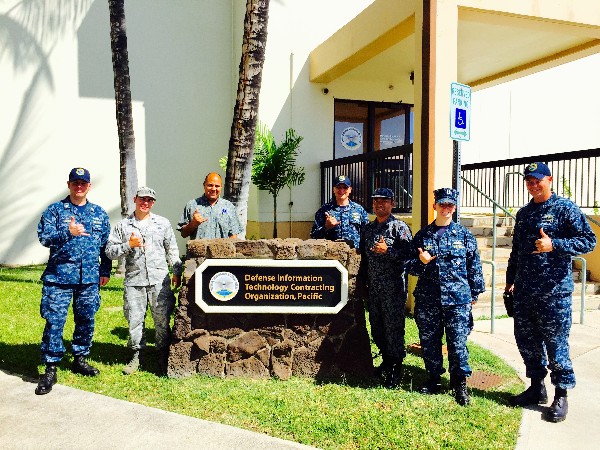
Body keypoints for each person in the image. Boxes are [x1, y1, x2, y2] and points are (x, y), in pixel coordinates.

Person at [505, 162, 596, 422]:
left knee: (556, 346)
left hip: (553, 294)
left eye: (538, 180)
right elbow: (516, 251)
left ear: (549, 180)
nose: (533, 185)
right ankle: (536, 388)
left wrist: (553, 244)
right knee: (528, 344)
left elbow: (589, 241)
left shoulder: (565, 208)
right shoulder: (523, 214)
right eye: (529, 181)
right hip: (524, 292)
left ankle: (561, 394)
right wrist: (510, 281)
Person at [35, 168, 111, 395]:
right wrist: (67, 233)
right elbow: (44, 238)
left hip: (88, 278)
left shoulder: (99, 213)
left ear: (89, 186)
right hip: (59, 277)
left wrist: (105, 270)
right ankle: (50, 366)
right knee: (55, 321)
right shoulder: (55, 211)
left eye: (83, 183)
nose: (79, 186)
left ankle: (80, 358)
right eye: (75, 183)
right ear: (68, 184)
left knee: (86, 319)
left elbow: (105, 246)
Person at [408, 188, 485, 406]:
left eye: (450, 205)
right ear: (435, 207)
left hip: (457, 301)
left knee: (458, 343)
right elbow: (409, 267)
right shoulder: (423, 236)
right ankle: (434, 378)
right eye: (442, 204)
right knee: (430, 342)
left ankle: (459, 384)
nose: (446, 209)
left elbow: (474, 265)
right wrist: (421, 262)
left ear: (455, 207)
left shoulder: (464, 234)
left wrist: (475, 293)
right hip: (428, 299)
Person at [106, 187, 182, 375]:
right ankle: (136, 354)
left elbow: (171, 248)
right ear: (135, 199)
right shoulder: (123, 226)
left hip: (159, 280)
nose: (145, 203)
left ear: (153, 202)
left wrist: (177, 271)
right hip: (134, 281)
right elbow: (109, 251)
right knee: (134, 319)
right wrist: (128, 245)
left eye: (149, 200)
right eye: (142, 199)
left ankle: (163, 353)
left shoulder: (162, 223)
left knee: (162, 319)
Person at [359, 187, 412, 389]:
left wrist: (388, 251)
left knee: (393, 330)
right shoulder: (369, 229)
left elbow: (409, 256)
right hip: (374, 290)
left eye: (384, 201)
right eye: (376, 201)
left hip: (393, 290)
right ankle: (387, 361)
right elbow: (364, 260)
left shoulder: (400, 228)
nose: (379, 204)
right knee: (377, 328)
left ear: (392, 204)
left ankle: (396, 368)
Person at [310, 175, 369, 249]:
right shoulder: (324, 210)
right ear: (333, 189)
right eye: (338, 187)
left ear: (350, 189)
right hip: (331, 256)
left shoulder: (359, 210)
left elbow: (367, 235)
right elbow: (313, 236)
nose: (341, 190)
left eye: (345, 187)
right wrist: (326, 227)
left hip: (354, 256)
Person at [178, 172, 242, 239]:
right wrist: (193, 224)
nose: (213, 189)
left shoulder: (229, 207)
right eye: (210, 185)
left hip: (222, 249)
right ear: (204, 185)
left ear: (221, 187)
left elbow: (233, 235)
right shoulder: (192, 205)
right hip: (200, 249)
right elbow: (183, 234)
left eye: (217, 186)